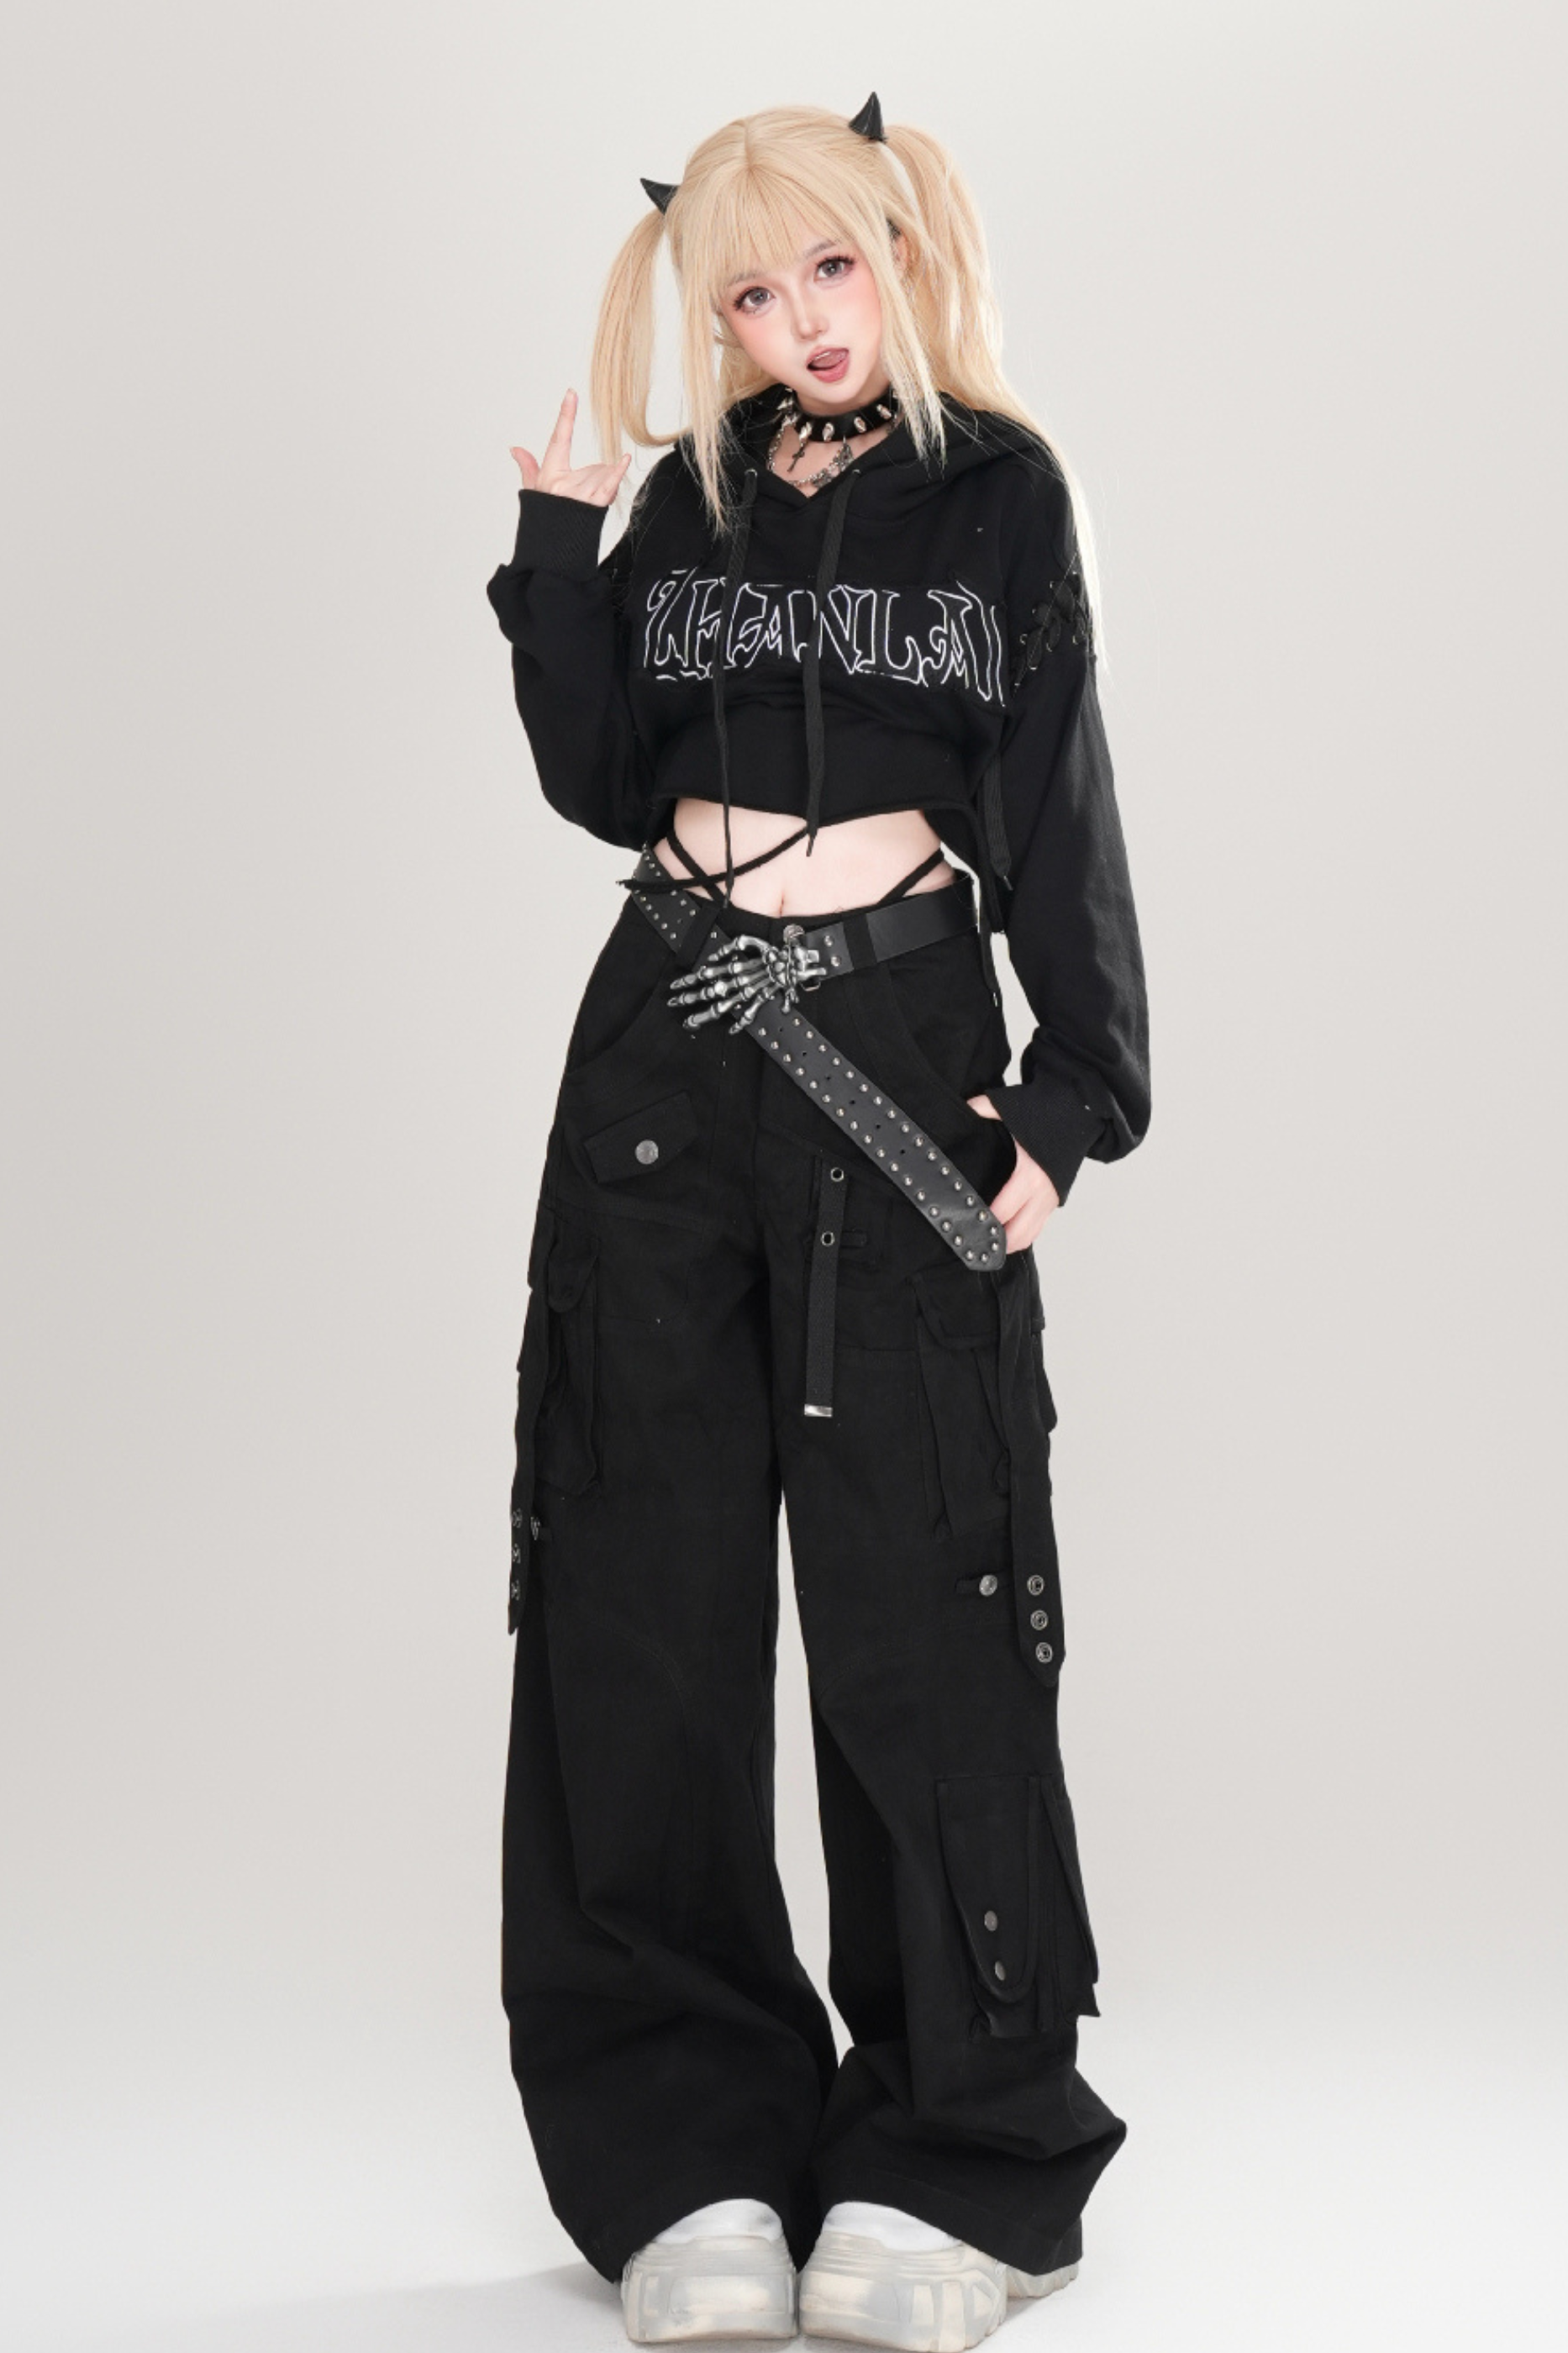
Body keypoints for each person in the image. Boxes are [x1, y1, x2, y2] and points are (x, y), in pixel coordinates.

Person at [484, 92, 1150, 2353]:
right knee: (636, 1588)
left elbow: (1059, 790)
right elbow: (598, 774)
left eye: (831, 269)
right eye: (752, 293)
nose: (800, 323)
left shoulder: (1002, 496)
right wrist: (557, 542)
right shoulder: (686, 498)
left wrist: (1073, 1091)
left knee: (926, 1593)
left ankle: (964, 2153)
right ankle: (679, 2148)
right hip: (661, 1056)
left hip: (893, 1055)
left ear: (903, 248)